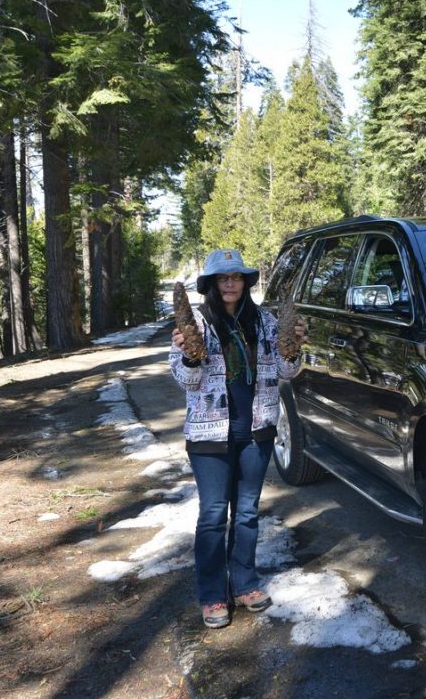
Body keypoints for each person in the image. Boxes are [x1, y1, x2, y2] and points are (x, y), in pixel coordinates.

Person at [169, 249, 306, 629]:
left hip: (256, 431)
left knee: (246, 513)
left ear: (245, 282)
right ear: (212, 284)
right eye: (222, 278)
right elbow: (185, 380)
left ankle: (244, 584)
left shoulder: (263, 320)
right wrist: (190, 357)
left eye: (237, 277)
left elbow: (286, 370)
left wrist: (293, 348)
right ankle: (213, 595)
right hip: (209, 437)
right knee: (213, 515)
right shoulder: (194, 324)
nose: (230, 283)